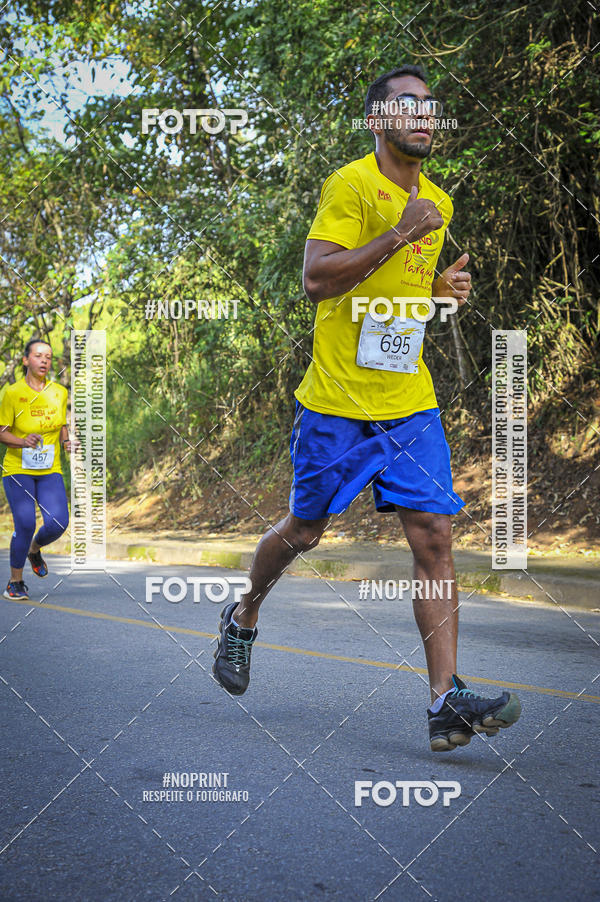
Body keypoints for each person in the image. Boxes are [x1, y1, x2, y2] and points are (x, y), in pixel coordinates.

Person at [213, 65, 521, 752]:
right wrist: (398, 235)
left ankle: (445, 700)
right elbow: (317, 280)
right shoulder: (351, 186)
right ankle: (243, 612)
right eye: (407, 105)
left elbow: (400, 289)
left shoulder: (435, 202)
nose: (423, 114)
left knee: (435, 539)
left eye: (430, 106)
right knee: (303, 533)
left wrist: (440, 286)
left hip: (408, 401)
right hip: (338, 403)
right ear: (379, 121)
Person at [0, 338, 71, 600]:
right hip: (18, 468)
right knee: (26, 523)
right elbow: (1, 432)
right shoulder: (11, 393)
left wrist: (66, 441)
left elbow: (61, 423)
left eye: (49, 357)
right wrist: (23, 441)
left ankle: (34, 549)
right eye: (38, 355)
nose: (44, 360)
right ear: (26, 360)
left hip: (49, 469)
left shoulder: (59, 392)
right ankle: (15, 582)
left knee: (58, 522)